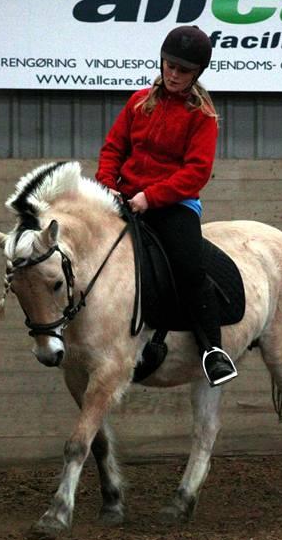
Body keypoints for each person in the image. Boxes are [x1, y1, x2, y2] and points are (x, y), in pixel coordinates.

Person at [96, 25, 237, 387]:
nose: (173, 74)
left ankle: (213, 351)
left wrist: (151, 197)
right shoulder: (139, 101)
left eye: (183, 70)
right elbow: (113, 149)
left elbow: (196, 173)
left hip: (174, 204)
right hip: (125, 198)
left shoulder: (201, 116)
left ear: (197, 73)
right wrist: (108, 186)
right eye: (169, 65)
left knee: (189, 269)